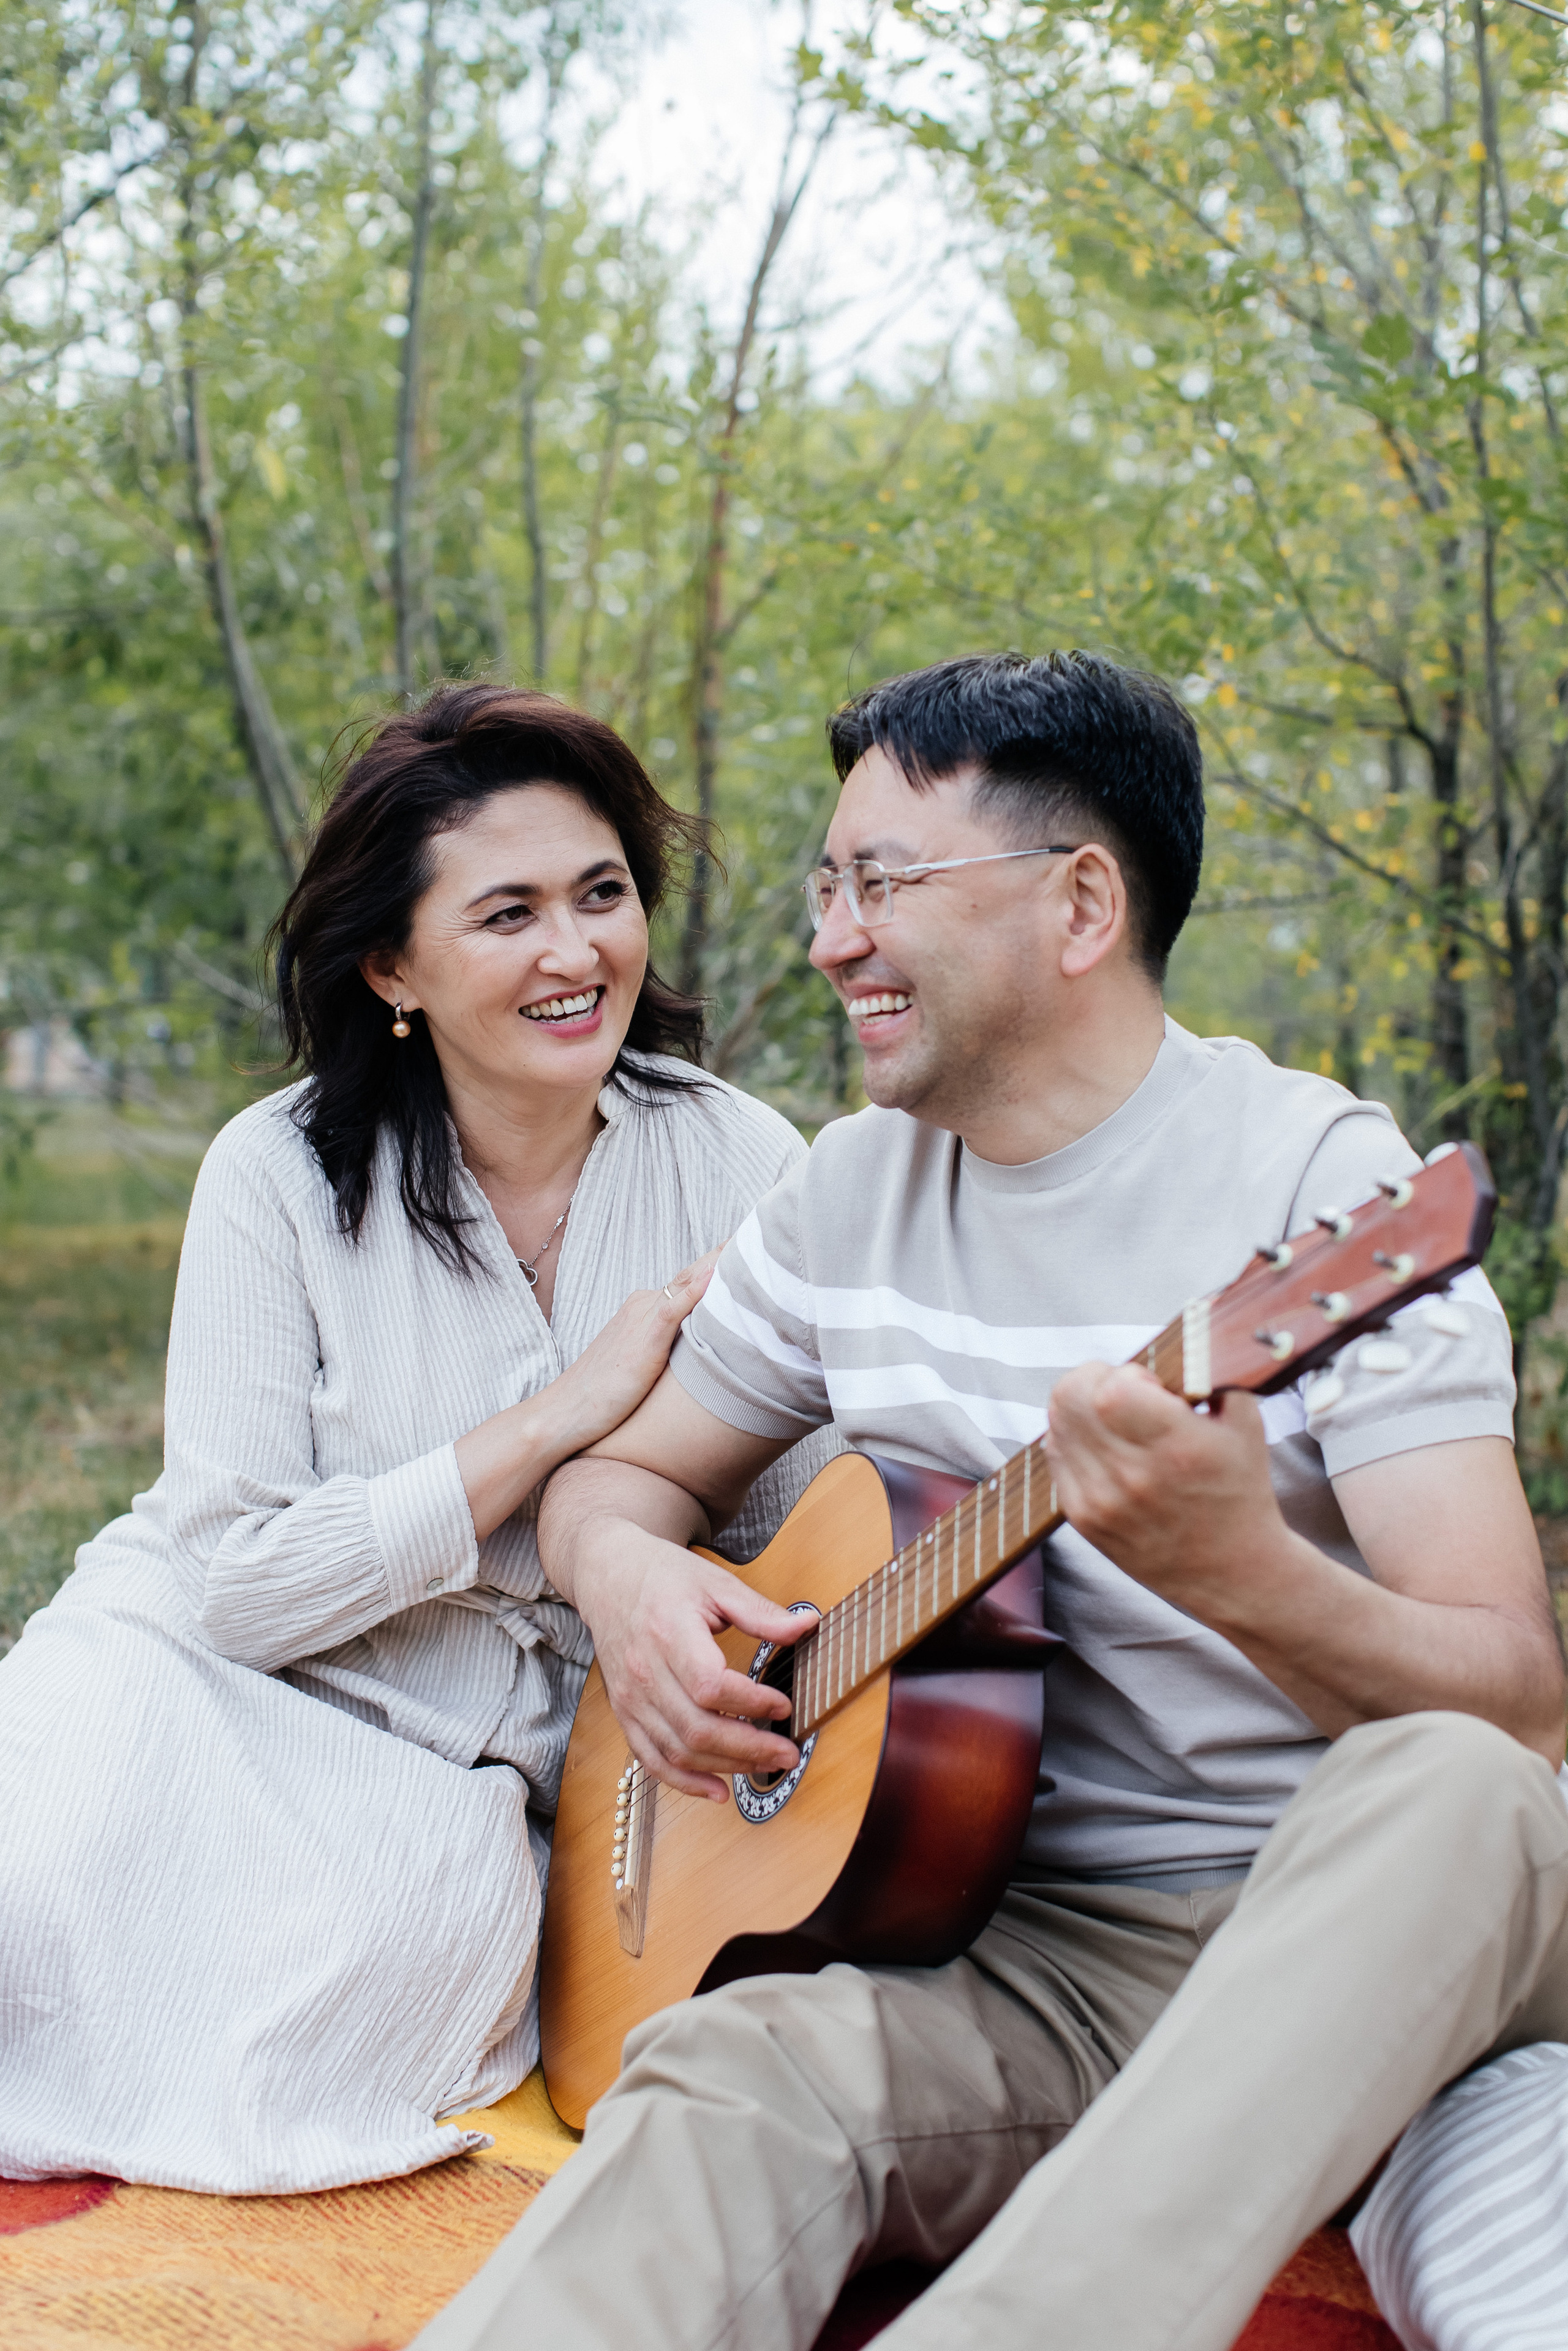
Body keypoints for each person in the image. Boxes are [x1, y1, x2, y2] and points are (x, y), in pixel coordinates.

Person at [413, 649, 1568, 2351]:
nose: (829, 936)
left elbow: (1520, 1704)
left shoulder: (1330, 1195)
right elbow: (625, 1473)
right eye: (827, 883)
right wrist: (629, 1585)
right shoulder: (846, 1196)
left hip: (1345, 1922)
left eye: (881, 880)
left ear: (1080, 900)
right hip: (1022, 1951)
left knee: (1457, 1781)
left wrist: (1243, 1572)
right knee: (733, 2064)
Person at [0, 684, 831, 2195]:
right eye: (506, 913)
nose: (576, 952)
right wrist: (560, 1418)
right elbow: (239, 1586)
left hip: (477, 1762)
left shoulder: (744, 1161)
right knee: (35, 1853)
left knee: (376, 1974)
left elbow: (799, 1531)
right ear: (394, 963)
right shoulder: (274, 1175)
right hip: (207, 1665)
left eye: (602, 893)